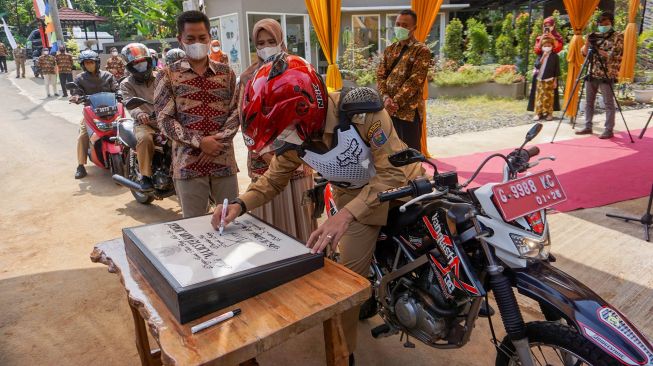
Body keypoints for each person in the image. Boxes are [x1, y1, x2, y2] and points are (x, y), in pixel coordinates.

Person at [212, 54, 422, 363]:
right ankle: (343, 353)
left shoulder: (360, 110)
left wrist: (343, 217)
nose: (284, 138)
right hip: (353, 197)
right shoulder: (296, 138)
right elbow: (272, 180)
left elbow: (391, 174)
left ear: (307, 108)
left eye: (285, 128)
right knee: (345, 284)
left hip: (402, 182)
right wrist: (239, 205)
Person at [236, 18, 317, 242]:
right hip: (264, 161)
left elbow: (309, 110)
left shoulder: (297, 69)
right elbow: (246, 120)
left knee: (301, 219)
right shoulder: (248, 77)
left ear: (281, 41)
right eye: (260, 43)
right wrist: (268, 153)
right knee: (271, 229)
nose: (266, 47)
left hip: (298, 157)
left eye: (271, 41)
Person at [155, 10, 240, 218]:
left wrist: (215, 143)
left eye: (202, 38)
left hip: (223, 162)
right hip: (188, 165)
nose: (197, 42)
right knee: (195, 228)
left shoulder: (226, 73)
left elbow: (237, 112)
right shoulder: (167, 75)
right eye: (190, 38)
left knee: (231, 223)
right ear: (180, 39)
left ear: (210, 37)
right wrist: (200, 142)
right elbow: (164, 120)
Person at [376, 9, 431, 151]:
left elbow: (414, 81)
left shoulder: (421, 51)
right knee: (389, 151)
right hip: (387, 111)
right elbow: (380, 75)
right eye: (397, 24)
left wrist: (395, 103)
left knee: (410, 153)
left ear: (414, 28)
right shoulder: (390, 50)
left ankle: (413, 174)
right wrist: (386, 98)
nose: (400, 27)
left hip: (408, 113)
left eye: (405, 25)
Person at [70, 50, 119, 179]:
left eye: (91, 62)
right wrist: (75, 97)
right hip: (91, 113)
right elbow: (76, 91)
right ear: (83, 65)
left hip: (111, 111)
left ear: (97, 63)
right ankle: (80, 165)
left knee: (127, 128)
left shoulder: (108, 76)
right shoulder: (79, 78)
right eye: (86, 63)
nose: (89, 65)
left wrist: (121, 93)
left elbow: (117, 88)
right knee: (82, 136)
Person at [575, 11, 624, 139]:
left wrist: (597, 49)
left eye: (606, 21)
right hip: (592, 72)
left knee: (608, 103)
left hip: (607, 73)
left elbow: (614, 56)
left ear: (611, 22)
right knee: (589, 101)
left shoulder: (618, 36)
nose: (603, 24)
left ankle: (609, 129)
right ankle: (587, 126)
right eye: (601, 22)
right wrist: (587, 42)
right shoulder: (594, 35)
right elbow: (584, 54)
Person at [120, 43, 158, 190]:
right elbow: (129, 103)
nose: (141, 67)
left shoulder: (160, 76)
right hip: (144, 123)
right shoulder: (126, 84)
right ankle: (145, 176)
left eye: (143, 63)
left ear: (149, 61)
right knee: (145, 139)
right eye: (137, 65)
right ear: (130, 67)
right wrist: (140, 113)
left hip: (165, 120)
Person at [528, 36, 561, 121]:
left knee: (549, 97)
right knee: (539, 96)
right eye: (545, 45)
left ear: (552, 46)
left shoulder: (555, 56)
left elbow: (556, 69)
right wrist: (543, 56)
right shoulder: (540, 55)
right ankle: (538, 113)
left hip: (549, 79)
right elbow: (537, 65)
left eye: (549, 45)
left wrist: (555, 81)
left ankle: (549, 113)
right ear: (542, 46)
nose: (547, 47)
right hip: (539, 78)